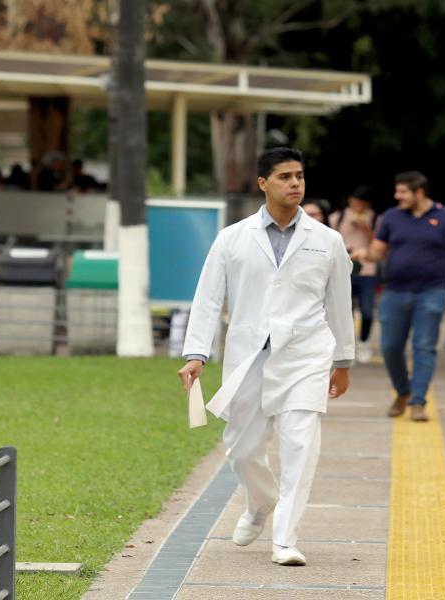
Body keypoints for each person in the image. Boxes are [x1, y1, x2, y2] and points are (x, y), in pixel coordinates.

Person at [178, 147, 355, 567]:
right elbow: (207, 299)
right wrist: (196, 354)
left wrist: (343, 362)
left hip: (306, 355)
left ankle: (285, 540)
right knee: (241, 449)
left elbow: (339, 305)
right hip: (248, 357)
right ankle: (261, 503)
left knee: (300, 447)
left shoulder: (327, 241)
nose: (295, 183)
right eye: (285, 177)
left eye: (300, 176)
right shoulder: (232, 239)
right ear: (263, 184)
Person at [351, 171, 445, 422]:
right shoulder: (391, 217)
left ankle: (418, 401)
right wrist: (363, 254)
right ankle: (403, 391)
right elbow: (378, 252)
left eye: (402, 192)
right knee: (390, 348)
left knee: (423, 346)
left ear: (419, 192)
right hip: (394, 292)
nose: (397, 196)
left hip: (432, 292)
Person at [330, 186, 378, 363]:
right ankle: (346, 347)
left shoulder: (374, 219)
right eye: (356, 202)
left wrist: (366, 228)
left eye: (363, 204)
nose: (359, 207)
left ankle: (364, 342)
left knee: (367, 312)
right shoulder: (337, 217)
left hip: (368, 270)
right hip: (344, 269)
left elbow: (380, 245)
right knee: (344, 312)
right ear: (350, 200)